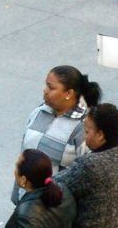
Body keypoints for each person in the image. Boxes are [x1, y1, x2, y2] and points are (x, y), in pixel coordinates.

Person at [13, 65, 101, 204]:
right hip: (26, 198)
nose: (45, 91)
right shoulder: (39, 111)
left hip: (55, 206)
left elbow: (86, 172)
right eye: (46, 86)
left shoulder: (82, 126)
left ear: (68, 93)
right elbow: (25, 152)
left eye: (51, 88)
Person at [55, 103, 118, 228]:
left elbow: (55, 184)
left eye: (87, 132)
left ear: (100, 135)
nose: (84, 137)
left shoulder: (90, 164)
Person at [0, 150, 76, 228]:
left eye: (16, 167)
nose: (14, 171)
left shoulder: (26, 215)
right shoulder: (63, 191)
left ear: (23, 180)